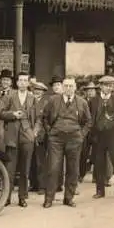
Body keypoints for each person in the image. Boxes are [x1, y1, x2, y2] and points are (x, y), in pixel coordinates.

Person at [42, 76, 92, 208]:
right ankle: (49, 199)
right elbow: (45, 117)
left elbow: (88, 121)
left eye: (71, 86)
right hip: (56, 139)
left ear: (75, 87)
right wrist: (50, 132)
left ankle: (68, 198)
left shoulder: (82, 102)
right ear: (62, 87)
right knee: (53, 168)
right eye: (66, 86)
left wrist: (81, 135)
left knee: (73, 170)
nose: (68, 89)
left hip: (74, 140)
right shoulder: (53, 100)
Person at [0, 72, 39, 207]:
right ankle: (7, 197)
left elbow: (39, 117)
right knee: (10, 168)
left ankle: (22, 197)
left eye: (25, 81)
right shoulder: (10, 96)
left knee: (25, 168)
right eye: (20, 80)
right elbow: (1, 114)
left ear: (28, 83)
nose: (22, 83)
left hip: (27, 134)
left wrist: (35, 132)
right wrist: (13, 114)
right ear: (16, 83)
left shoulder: (32, 98)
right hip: (12, 135)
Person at [90, 76, 114, 199]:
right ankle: (100, 191)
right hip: (98, 136)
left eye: (111, 85)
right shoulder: (94, 101)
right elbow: (90, 118)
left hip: (113, 135)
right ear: (100, 86)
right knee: (99, 163)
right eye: (106, 85)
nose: (109, 88)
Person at [30, 81, 49, 195]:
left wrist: (38, 133)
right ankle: (34, 184)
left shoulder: (46, 103)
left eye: (39, 90)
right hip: (28, 134)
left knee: (41, 161)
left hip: (41, 136)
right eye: (35, 89)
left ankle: (42, 186)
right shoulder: (30, 101)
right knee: (31, 161)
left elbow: (45, 120)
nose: (37, 91)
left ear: (43, 92)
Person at [79, 81, 99, 182]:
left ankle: (96, 177)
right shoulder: (82, 102)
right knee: (83, 153)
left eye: (92, 90)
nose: (90, 92)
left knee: (97, 153)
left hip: (96, 131)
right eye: (88, 90)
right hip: (85, 131)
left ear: (95, 91)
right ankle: (81, 175)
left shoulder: (98, 101)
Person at [48, 75, 65, 192]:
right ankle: (56, 185)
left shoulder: (67, 98)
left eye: (58, 85)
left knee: (67, 161)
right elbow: (45, 117)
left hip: (68, 133)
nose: (56, 87)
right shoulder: (50, 100)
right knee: (54, 161)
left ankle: (65, 184)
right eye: (54, 85)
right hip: (54, 133)